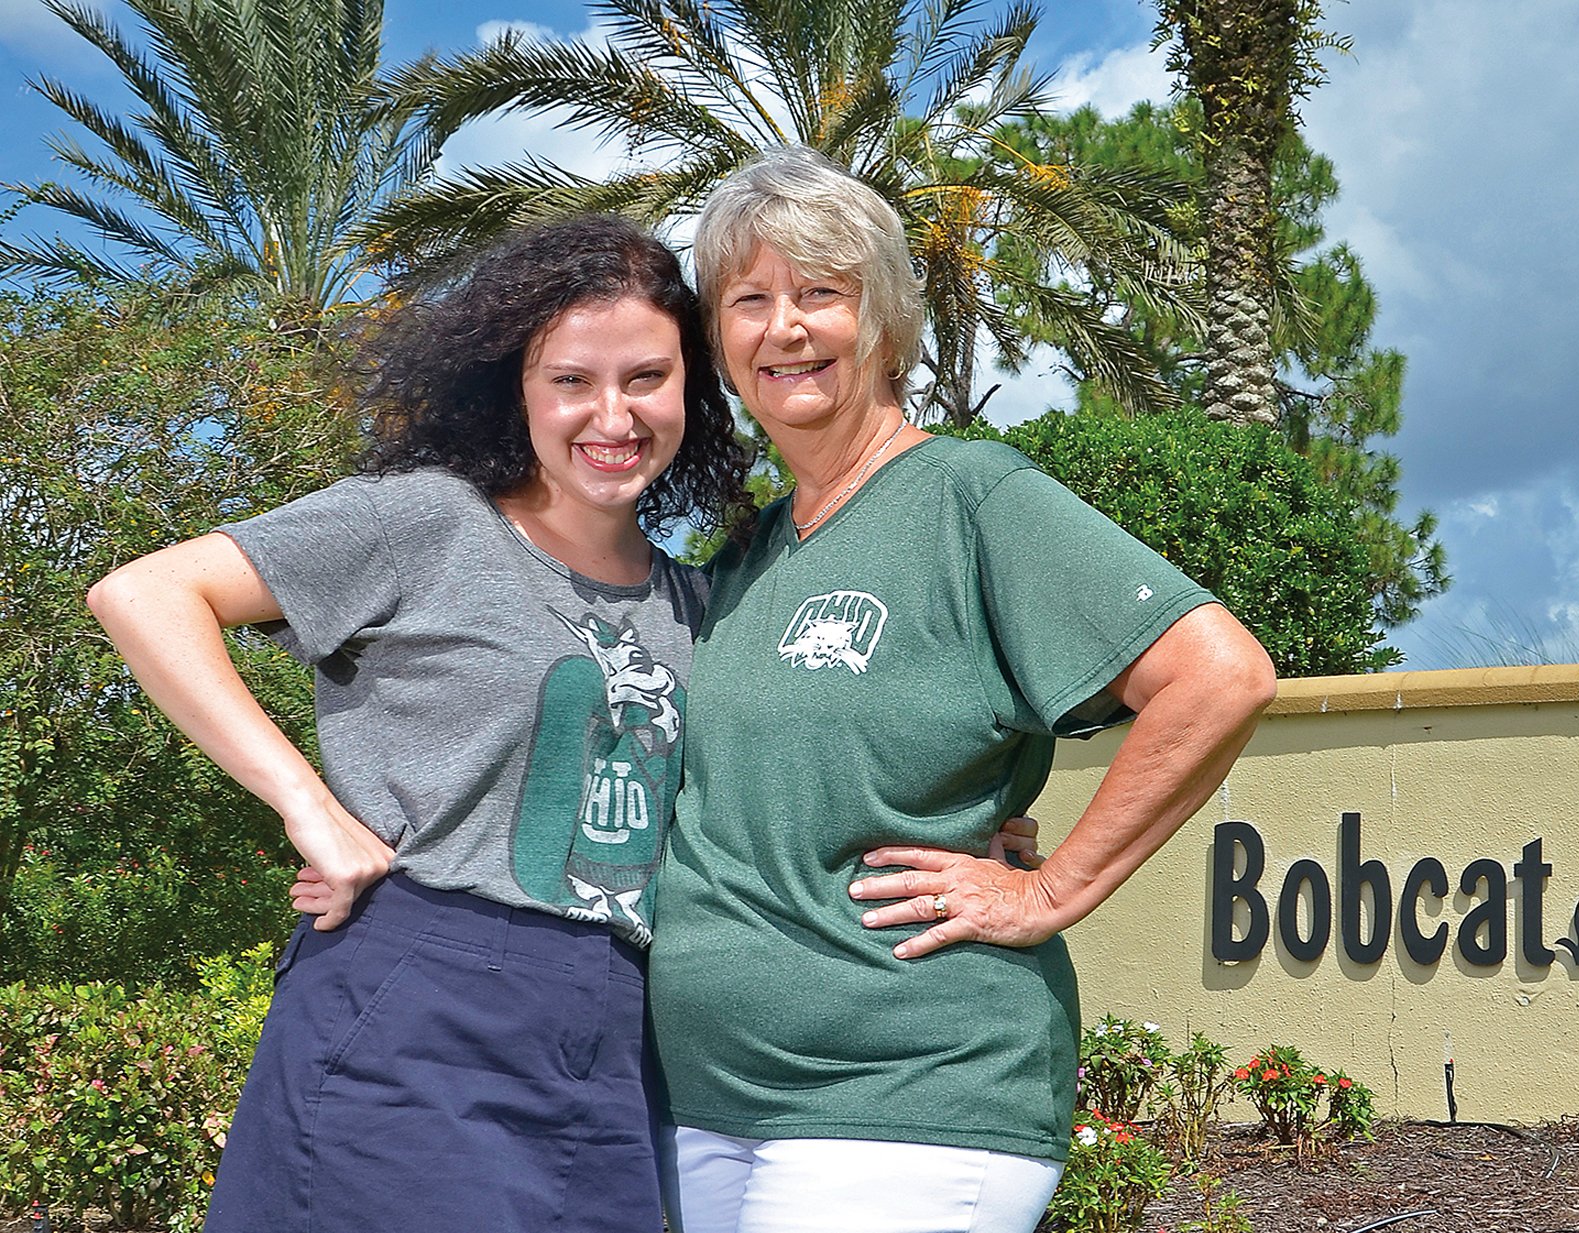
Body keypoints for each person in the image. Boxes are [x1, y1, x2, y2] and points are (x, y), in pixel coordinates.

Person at [648, 146, 1281, 1233]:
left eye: (818, 294)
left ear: (885, 317)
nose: (781, 328)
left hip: (904, 1101)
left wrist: (1049, 888)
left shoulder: (970, 498)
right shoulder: (748, 557)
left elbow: (1217, 674)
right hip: (706, 1110)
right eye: (747, 301)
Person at [86, 216, 751, 1233]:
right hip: (417, 1009)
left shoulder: (696, 603)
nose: (611, 415)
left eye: (646, 378)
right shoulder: (426, 522)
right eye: (571, 379)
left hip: (615, 1036)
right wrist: (311, 810)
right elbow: (145, 595)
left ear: (692, 391)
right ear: (515, 389)